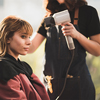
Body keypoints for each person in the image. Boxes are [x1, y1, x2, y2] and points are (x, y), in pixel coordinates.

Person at [28, 0, 100, 100]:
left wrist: (77, 35)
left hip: (78, 87)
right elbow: (31, 47)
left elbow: (97, 50)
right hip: (51, 85)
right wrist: (12, 38)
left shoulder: (88, 12)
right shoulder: (49, 16)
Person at [0, 15, 50, 100]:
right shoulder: (4, 67)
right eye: (23, 36)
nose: (29, 42)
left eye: (29, 37)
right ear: (8, 38)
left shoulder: (24, 67)